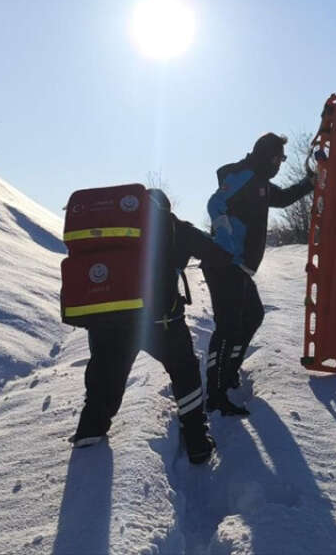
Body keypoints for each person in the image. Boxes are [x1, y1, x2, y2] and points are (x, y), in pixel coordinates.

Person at [71, 189, 232, 464]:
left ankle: (91, 428)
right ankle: (196, 440)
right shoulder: (175, 227)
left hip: (110, 319)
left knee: (105, 372)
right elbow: (219, 254)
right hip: (162, 322)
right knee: (185, 372)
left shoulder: (112, 229)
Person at [202, 133, 315, 415]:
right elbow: (215, 203)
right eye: (280, 158)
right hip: (225, 264)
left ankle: (228, 373)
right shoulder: (244, 175)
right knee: (228, 327)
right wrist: (227, 240)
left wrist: (310, 183)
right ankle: (215, 394)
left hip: (237, 266)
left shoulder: (260, 183)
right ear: (269, 156)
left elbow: (285, 198)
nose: (281, 163)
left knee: (252, 316)